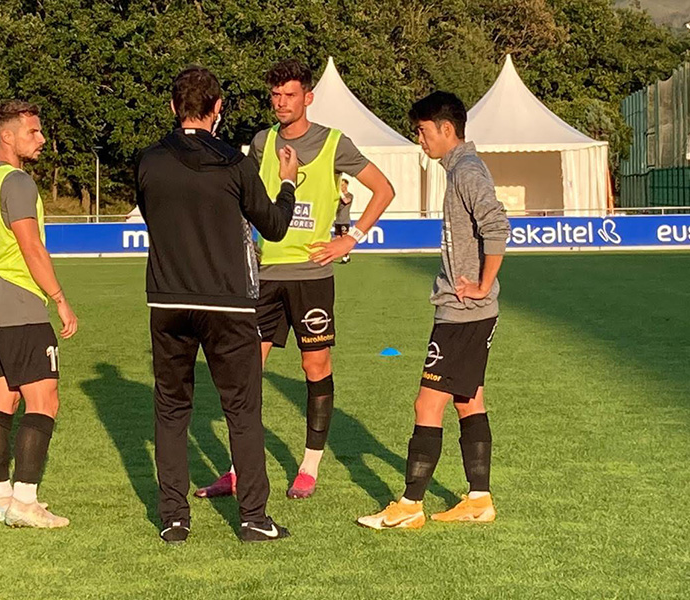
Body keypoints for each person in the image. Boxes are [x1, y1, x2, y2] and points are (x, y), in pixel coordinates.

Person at [195, 59, 395, 500]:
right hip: (263, 275)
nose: (281, 102)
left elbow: (384, 189)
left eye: (289, 95)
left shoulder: (334, 143)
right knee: (247, 370)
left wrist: (350, 239)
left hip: (311, 275)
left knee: (314, 366)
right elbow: (245, 197)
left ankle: (309, 466)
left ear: (308, 97)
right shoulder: (262, 142)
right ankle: (238, 468)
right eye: (275, 95)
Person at [137, 66, 298, 543]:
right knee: (242, 410)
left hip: (168, 300)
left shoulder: (148, 160)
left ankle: (174, 518)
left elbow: (151, 214)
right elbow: (274, 226)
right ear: (218, 108)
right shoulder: (234, 162)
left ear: (173, 107)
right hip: (228, 303)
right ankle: (254, 518)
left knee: (171, 409)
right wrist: (288, 184)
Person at [358, 91, 510, 530]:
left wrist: (482, 285)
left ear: (446, 128)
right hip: (471, 312)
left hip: (462, 313)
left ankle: (409, 506)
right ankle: (479, 500)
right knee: (468, 399)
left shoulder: (467, 170)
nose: (419, 140)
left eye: (422, 131)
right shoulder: (461, 168)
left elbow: (497, 226)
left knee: (427, 404)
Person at [0, 100, 78, 529]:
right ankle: (25, 502)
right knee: (44, 401)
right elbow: (31, 246)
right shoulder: (17, 182)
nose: (41, 139)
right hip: (20, 307)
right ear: (7, 136)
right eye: (33, 131)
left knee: (2, 400)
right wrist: (59, 297)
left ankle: (1, 497)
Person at [335, 178, 353, 264]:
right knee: (338, 239)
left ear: (346, 185)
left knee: (344, 239)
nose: (341, 187)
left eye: (342, 185)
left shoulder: (349, 195)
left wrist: (340, 193)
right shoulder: (338, 197)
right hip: (337, 220)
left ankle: (345, 256)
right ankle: (345, 255)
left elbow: (346, 201)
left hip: (344, 220)